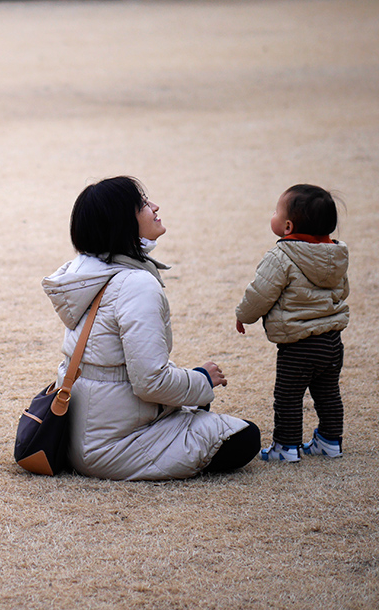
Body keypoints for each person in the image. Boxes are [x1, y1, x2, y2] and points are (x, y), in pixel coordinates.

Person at [42, 176, 260, 481]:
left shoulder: (86, 272)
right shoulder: (136, 284)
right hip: (115, 447)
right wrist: (202, 381)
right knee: (246, 435)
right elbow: (149, 383)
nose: (154, 207)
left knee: (198, 402)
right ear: (122, 222)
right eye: (143, 204)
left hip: (75, 437)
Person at [235, 184, 349, 463]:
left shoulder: (281, 256)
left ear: (287, 226)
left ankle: (286, 447)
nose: (271, 214)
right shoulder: (336, 255)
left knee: (288, 396)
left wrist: (243, 315)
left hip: (299, 345)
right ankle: (330, 440)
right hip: (332, 342)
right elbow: (342, 291)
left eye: (276, 210)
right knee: (328, 393)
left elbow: (260, 293)